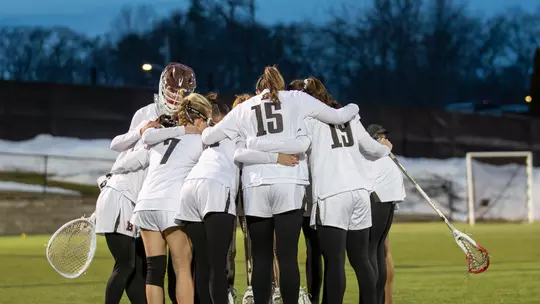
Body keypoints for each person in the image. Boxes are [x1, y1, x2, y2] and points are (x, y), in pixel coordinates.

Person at [201, 65, 360, 304]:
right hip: (290, 182)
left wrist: (250, 142)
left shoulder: (244, 107)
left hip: (256, 185)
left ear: (260, 87)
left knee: (261, 258)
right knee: (287, 258)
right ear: (281, 83)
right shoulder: (296, 98)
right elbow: (338, 116)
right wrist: (355, 107)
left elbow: (208, 137)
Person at [251, 77, 392, 304]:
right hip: (359, 193)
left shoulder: (307, 119)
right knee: (362, 261)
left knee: (335, 262)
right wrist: (385, 149)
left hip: (332, 195)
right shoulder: (349, 117)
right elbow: (372, 149)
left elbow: (298, 150)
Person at [107, 62, 197, 304]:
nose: (177, 97)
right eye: (173, 91)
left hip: (149, 202)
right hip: (159, 200)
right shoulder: (148, 116)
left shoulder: (182, 119)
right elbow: (121, 148)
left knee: (156, 270)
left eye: (182, 93)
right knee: (175, 267)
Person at [127, 91, 212, 304]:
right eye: (207, 120)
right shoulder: (201, 141)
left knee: (154, 270)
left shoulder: (161, 137)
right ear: (199, 118)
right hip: (171, 206)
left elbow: (147, 136)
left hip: (145, 204)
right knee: (182, 267)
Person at [365, 124, 405, 304]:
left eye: (383, 136)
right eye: (377, 137)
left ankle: (382, 300)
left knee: (377, 251)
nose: (383, 140)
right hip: (379, 199)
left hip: (380, 200)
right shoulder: (373, 154)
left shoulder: (384, 157)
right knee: (380, 251)